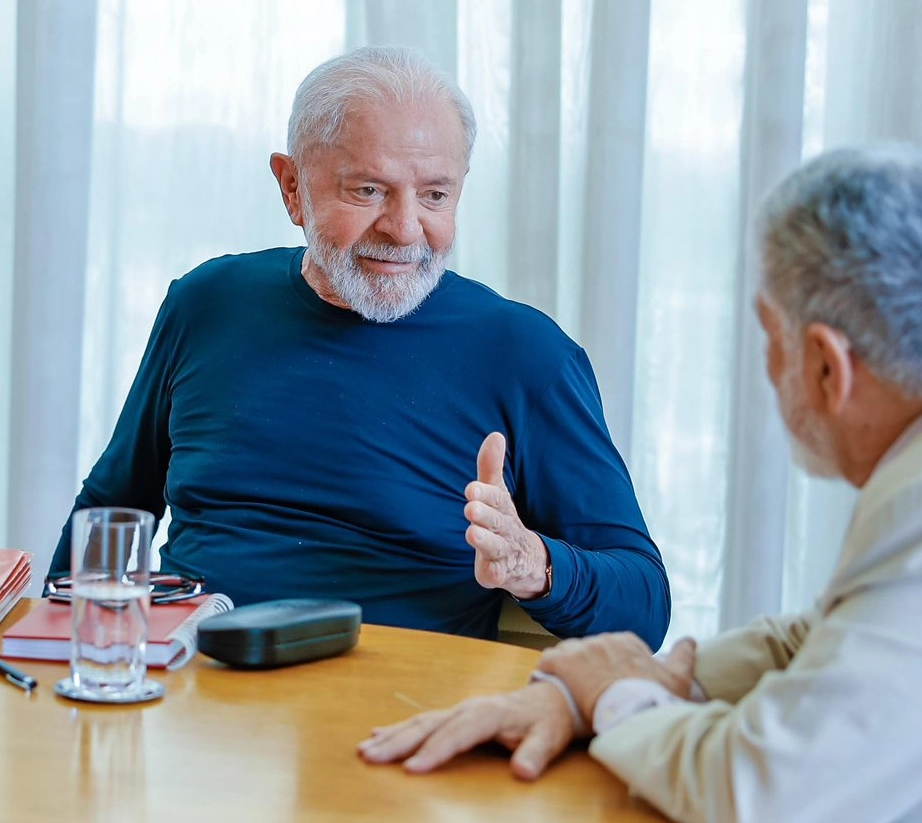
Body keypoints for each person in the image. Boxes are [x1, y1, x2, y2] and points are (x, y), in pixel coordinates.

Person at [360, 146, 922, 823]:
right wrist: (573, 693)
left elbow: (761, 786)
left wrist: (616, 699)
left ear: (827, 365)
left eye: (768, 336)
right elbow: (825, 636)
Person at [51, 46, 669, 644]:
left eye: (434, 194)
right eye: (368, 190)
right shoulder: (204, 303)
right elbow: (111, 508)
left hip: (392, 715)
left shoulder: (527, 354)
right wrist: (60, 656)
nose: (404, 230)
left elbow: (645, 602)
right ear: (292, 188)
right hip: (193, 686)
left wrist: (536, 564)